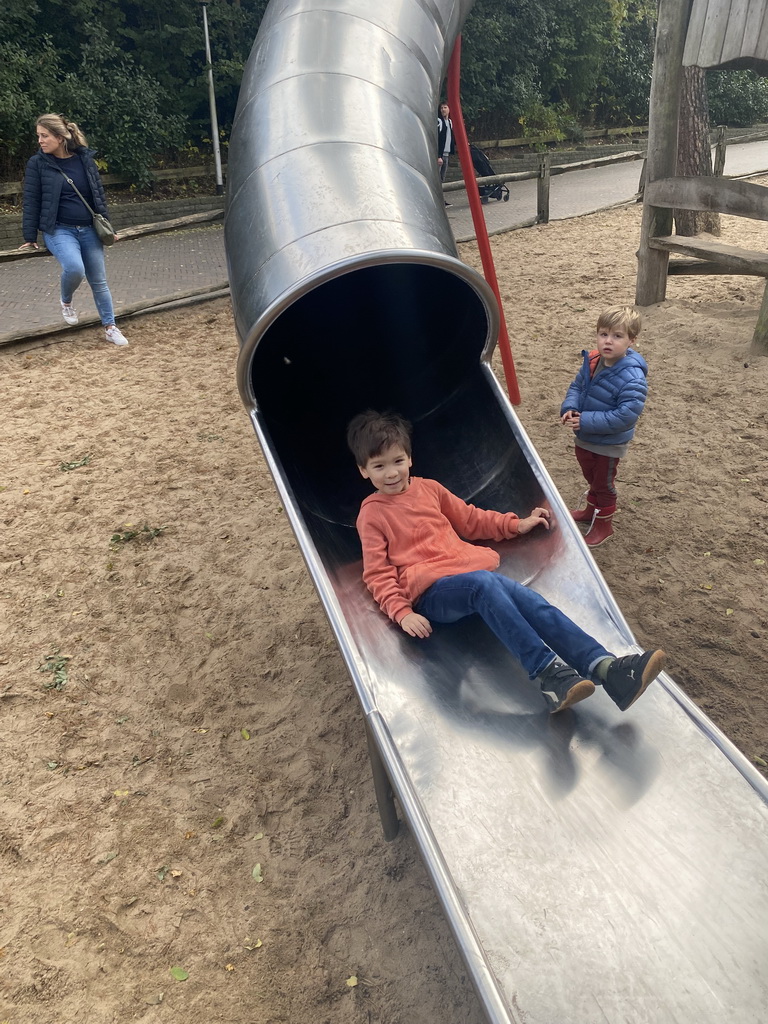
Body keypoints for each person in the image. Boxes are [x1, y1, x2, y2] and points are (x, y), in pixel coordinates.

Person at [347, 409, 666, 714]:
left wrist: (516, 524)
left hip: (469, 579)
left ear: (410, 458)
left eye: (398, 461)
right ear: (363, 470)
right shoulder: (372, 514)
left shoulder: (429, 489)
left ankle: (607, 669)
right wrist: (401, 612)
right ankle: (547, 673)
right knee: (483, 584)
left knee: (532, 602)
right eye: (378, 466)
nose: (391, 473)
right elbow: (376, 573)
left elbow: (471, 520)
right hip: (432, 596)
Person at [19, 113, 129, 347]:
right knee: (75, 268)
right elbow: (31, 200)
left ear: (60, 137)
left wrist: (108, 228)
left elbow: (98, 196)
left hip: (89, 229)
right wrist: (29, 236)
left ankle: (110, 327)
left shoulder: (84, 160)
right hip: (58, 230)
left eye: (44, 135)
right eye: (38, 136)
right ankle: (66, 301)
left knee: (99, 282)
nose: (39, 140)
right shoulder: (37, 164)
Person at [560, 306, 647, 547]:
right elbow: (577, 387)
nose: (608, 341)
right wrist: (570, 407)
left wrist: (586, 420)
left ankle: (604, 525)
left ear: (631, 340)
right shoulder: (594, 361)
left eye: (617, 336)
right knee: (590, 475)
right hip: (585, 436)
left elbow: (626, 415)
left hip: (608, 443)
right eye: (603, 334)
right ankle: (591, 510)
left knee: (603, 483)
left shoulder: (632, 377)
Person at [437, 102, 456, 207]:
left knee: (442, 178)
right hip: (440, 155)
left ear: (449, 109)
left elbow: (451, 137)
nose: (443, 110)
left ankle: (441, 200)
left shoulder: (450, 122)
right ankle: (438, 201)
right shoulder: (439, 122)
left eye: (445, 107)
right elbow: (437, 139)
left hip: (447, 154)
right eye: (441, 108)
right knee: (437, 178)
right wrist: (438, 156)